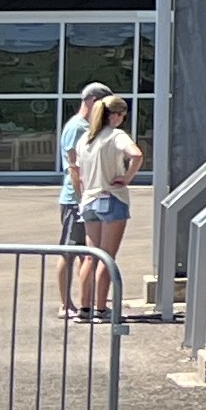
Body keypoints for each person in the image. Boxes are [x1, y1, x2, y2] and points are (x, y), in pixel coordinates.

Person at [65, 95, 144, 320]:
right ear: (116, 115)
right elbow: (136, 154)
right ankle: (101, 307)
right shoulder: (116, 136)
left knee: (91, 256)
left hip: (89, 200)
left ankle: (84, 308)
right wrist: (127, 176)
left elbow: (77, 172)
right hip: (111, 197)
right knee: (108, 256)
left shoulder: (86, 140)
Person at [53, 84, 114, 254]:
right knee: (69, 249)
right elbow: (73, 167)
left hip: (89, 198)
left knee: (87, 251)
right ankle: (64, 282)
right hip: (75, 200)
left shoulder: (89, 127)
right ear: (94, 101)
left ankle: (85, 282)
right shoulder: (77, 128)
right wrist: (81, 199)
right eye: (105, 106)